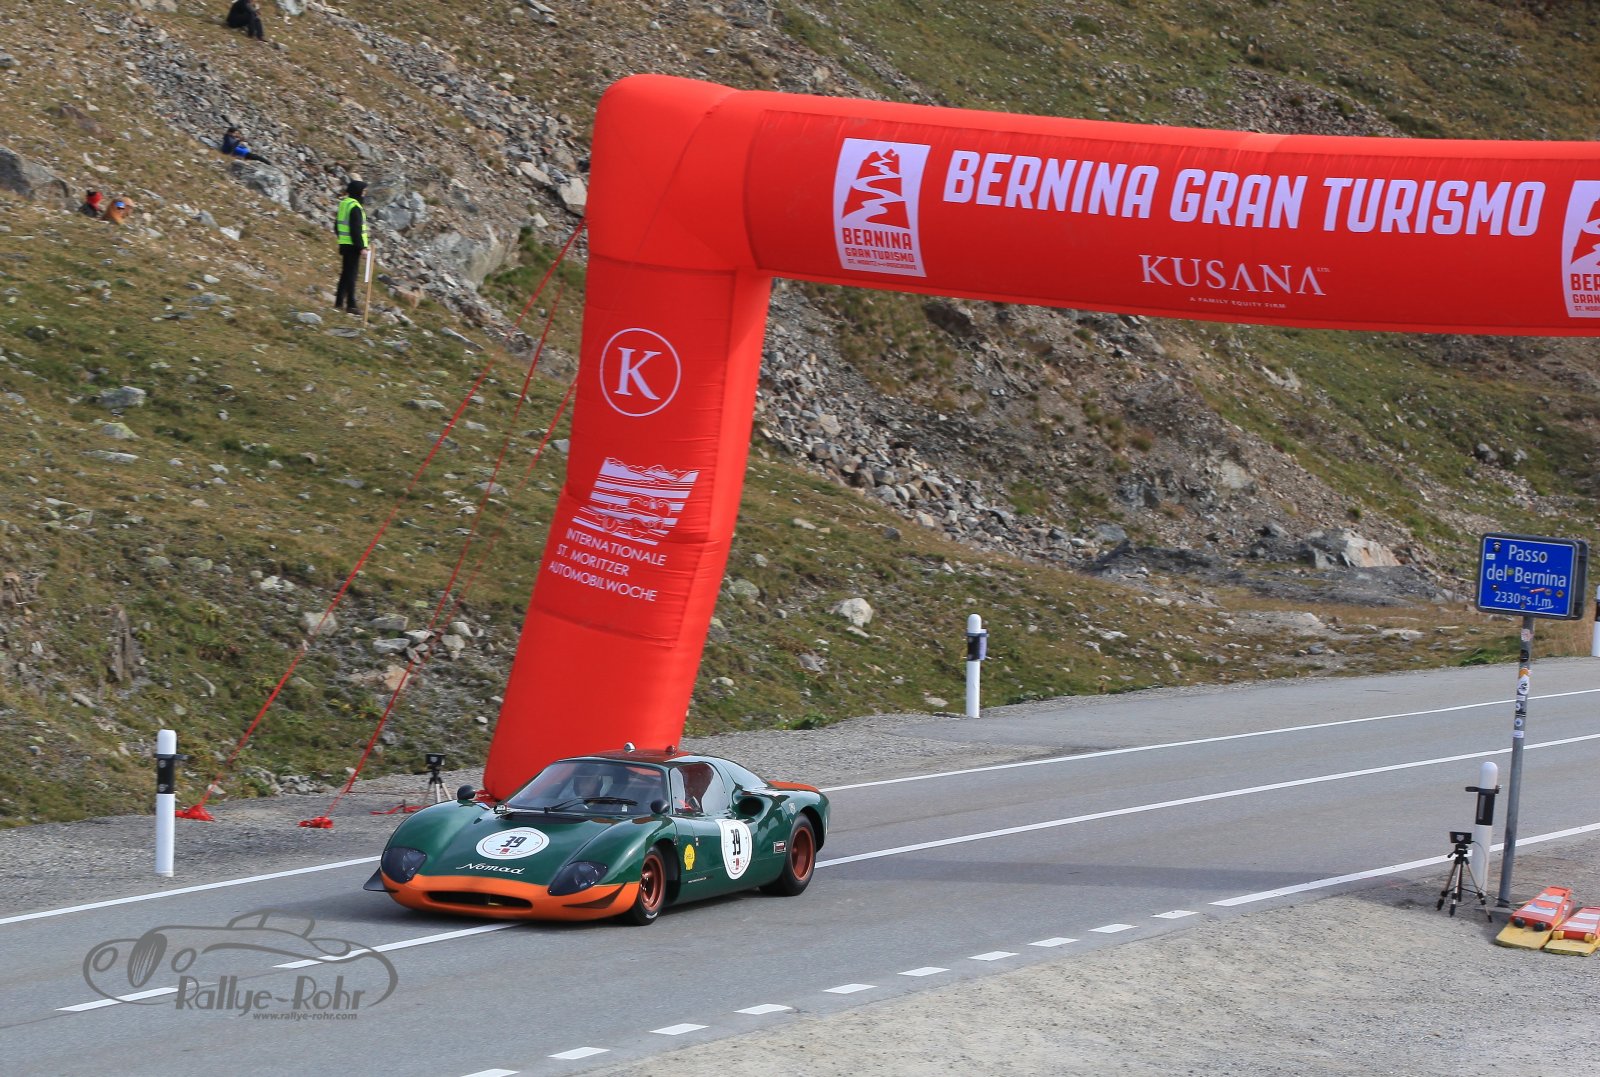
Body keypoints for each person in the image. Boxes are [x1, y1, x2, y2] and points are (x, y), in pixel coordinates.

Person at [333, 179, 368, 315]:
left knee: (345, 274)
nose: (364, 194)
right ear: (358, 192)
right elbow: (356, 230)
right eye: (363, 192)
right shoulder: (355, 207)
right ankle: (351, 305)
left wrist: (342, 239)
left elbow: (336, 225)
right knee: (351, 275)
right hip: (353, 246)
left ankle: (339, 302)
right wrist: (361, 247)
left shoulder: (344, 204)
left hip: (345, 244)